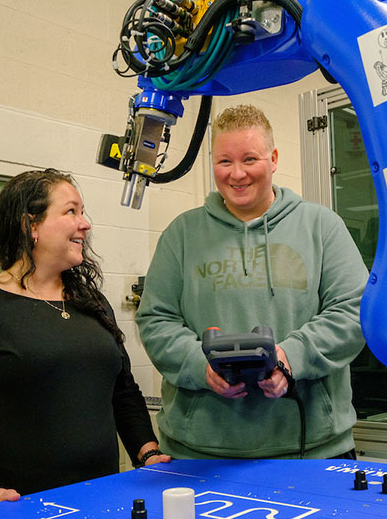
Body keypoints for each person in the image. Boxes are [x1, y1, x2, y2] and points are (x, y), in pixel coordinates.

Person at [0, 169, 170, 511]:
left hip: (98, 498)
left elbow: (123, 390)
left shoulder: (93, 303)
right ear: (32, 225)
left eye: (82, 212)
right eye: (71, 211)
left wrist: (148, 452)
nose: (84, 224)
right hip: (14, 505)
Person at [136, 104, 368, 460]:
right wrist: (201, 366)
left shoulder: (322, 227)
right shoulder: (181, 235)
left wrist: (290, 357)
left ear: (273, 158)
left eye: (250, 159)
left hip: (313, 450)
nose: (237, 174)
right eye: (224, 162)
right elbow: (156, 320)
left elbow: (354, 312)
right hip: (200, 453)